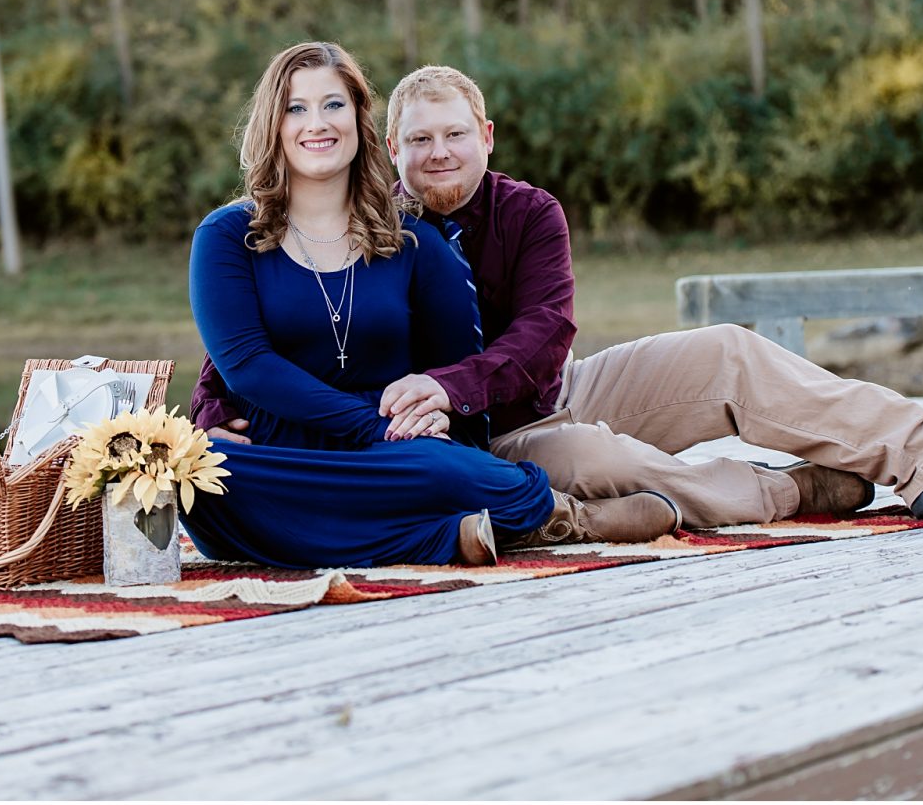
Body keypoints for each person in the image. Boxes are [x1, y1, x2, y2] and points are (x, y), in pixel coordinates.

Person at [195, 63, 923, 531]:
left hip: (541, 394)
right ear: (389, 147)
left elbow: (545, 332)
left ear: (485, 136)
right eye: (420, 140)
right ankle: (788, 494)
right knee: (604, 462)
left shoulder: (529, 213)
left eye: (457, 133)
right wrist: (211, 402)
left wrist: (455, 384)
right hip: (459, 440)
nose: (440, 151)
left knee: (727, 352)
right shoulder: (366, 221)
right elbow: (268, 327)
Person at [181, 43, 680, 570]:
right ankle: (468, 530)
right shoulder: (228, 236)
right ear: (272, 124)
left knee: (440, 468)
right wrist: (368, 426)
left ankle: (535, 519)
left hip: (399, 448)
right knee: (209, 472)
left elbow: (456, 381)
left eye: (333, 104)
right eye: (295, 107)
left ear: (359, 117)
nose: (316, 123)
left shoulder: (414, 243)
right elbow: (246, 366)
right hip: (280, 445)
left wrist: (420, 436)